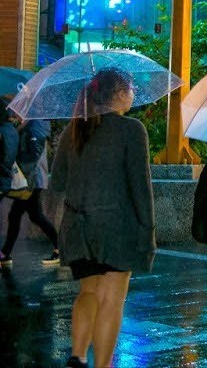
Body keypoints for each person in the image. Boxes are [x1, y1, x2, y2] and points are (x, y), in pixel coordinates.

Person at [49, 68, 154, 368]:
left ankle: (78, 355)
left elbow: (57, 182)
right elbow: (140, 186)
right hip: (117, 228)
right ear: (119, 94)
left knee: (88, 291)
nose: (133, 93)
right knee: (112, 299)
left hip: (77, 228)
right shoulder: (131, 129)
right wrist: (148, 231)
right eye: (131, 88)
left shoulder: (75, 129)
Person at [0, 96, 59, 266]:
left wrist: (18, 169)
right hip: (30, 178)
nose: (16, 112)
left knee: (29, 216)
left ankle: (59, 248)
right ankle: (5, 254)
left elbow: (33, 154)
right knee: (28, 215)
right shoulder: (29, 123)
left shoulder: (37, 125)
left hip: (32, 178)